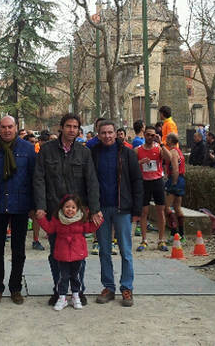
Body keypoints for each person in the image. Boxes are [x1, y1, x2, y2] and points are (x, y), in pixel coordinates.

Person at [34, 113, 102, 307]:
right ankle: (59, 290)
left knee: (79, 255)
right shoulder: (46, 151)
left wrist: (94, 209)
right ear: (61, 127)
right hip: (55, 212)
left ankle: (77, 291)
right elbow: (38, 180)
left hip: (77, 213)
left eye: (75, 127)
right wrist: (40, 207)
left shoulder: (84, 153)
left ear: (79, 130)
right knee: (57, 255)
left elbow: (91, 181)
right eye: (68, 126)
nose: (72, 130)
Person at [91, 120, 143, 307]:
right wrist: (92, 207)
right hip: (101, 209)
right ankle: (108, 287)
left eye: (110, 132)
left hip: (123, 208)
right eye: (103, 132)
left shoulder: (127, 154)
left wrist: (137, 209)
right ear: (98, 134)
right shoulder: (93, 154)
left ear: (116, 133)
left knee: (126, 251)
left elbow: (137, 181)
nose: (107, 135)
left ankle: (127, 287)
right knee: (104, 250)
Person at [0, 116, 35, 305]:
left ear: (16, 128)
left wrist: (33, 205)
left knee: (19, 249)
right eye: (3, 127)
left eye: (10, 127)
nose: (7, 130)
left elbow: (34, 178)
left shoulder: (28, 149)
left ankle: (15, 287)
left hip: (20, 205)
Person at [37, 194, 100, 310]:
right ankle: (62, 297)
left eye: (73, 207)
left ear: (77, 209)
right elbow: (50, 229)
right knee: (63, 277)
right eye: (67, 207)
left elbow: (90, 228)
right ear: (62, 208)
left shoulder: (82, 219)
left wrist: (99, 219)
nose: (70, 210)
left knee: (76, 277)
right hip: (62, 253)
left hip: (78, 253)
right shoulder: (57, 219)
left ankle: (76, 295)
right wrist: (41, 219)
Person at [135, 126, 170, 252]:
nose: (150, 137)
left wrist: (161, 143)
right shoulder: (137, 150)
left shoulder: (158, 148)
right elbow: (132, 166)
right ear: (144, 135)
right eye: (148, 135)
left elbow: (169, 158)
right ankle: (144, 240)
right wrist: (140, 162)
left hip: (157, 181)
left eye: (153, 135)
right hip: (144, 182)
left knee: (161, 211)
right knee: (144, 212)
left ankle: (161, 240)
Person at [164, 133, 187, 240]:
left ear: (171, 141)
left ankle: (174, 232)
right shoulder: (179, 151)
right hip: (181, 179)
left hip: (175, 179)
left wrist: (173, 182)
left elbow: (175, 168)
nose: (166, 141)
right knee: (178, 207)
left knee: (167, 207)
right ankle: (182, 233)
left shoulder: (173, 152)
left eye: (167, 139)